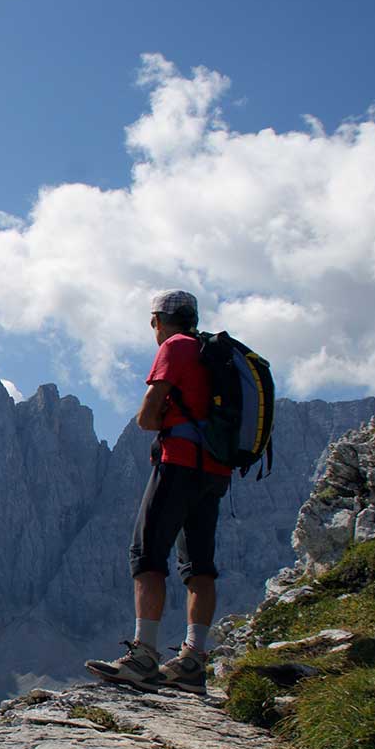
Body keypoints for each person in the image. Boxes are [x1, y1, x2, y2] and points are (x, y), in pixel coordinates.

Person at [85, 289, 232, 694]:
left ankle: (144, 656)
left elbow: (148, 417)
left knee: (147, 555)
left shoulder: (176, 347)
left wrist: (157, 415)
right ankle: (192, 661)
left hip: (179, 464)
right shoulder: (208, 351)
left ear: (157, 321)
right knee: (199, 566)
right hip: (215, 472)